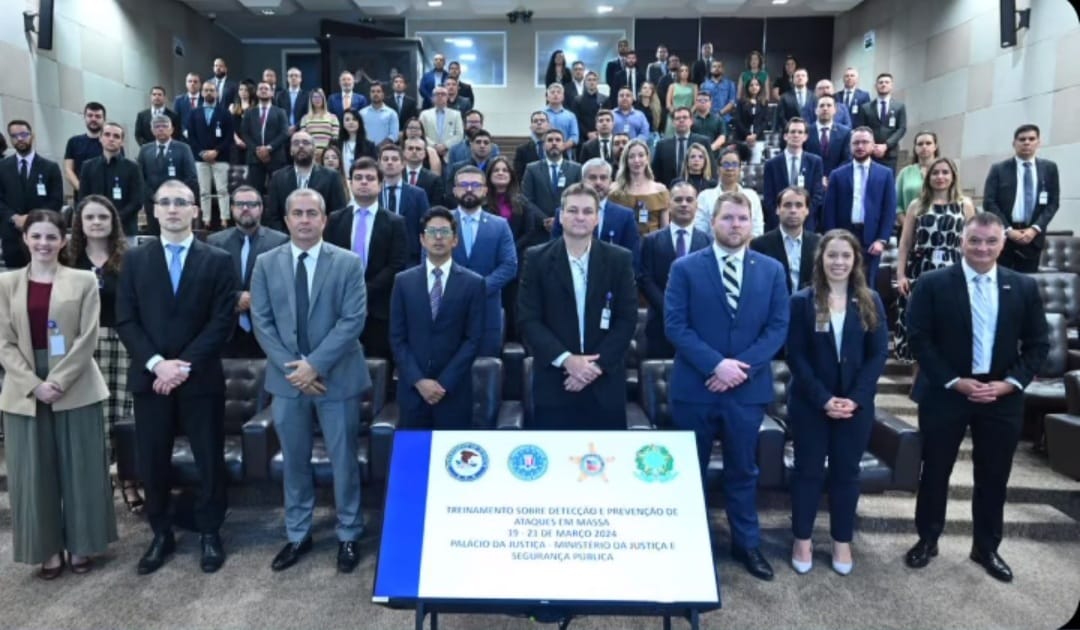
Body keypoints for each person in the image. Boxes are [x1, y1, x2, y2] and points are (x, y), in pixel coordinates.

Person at [904, 212, 1049, 583]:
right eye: (975, 240)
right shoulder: (932, 283)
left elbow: (1038, 345)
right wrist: (954, 381)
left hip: (1001, 396)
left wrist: (1009, 384)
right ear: (962, 242)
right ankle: (927, 539)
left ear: (1002, 244)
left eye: (990, 241)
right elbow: (919, 338)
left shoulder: (1023, 286)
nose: (982, 248)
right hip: (946, 392)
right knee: (935, 470)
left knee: (994, 475)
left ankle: (986, 547)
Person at [665, 190, 789, 581]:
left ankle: (746, 543)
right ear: (712, 222)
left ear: (752, 224)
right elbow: (675, 326)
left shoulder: (772, 270)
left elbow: (777, 328)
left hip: (746, 392)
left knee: (743, 470)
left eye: (742, 218)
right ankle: (687, 543)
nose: (735, 225)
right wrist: (716, 365)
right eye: (728, 218)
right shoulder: (684, 268)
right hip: (695, 388)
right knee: (690, 472)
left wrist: (740, 370)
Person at [116, 180, 237, 575]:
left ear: (195, 210)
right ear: (153, 210)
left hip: (199, 378)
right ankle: (161, 532)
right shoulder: (134, 260)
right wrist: (157, 364)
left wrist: (182, 366)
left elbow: (222, 322)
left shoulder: (218, 260)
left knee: (208, 458)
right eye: (165, 202)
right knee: (152, 460)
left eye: (181, 202)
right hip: (151, 378)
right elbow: (126, 319)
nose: (172, 209)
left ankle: (210, 531)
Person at [249, 188, 370, 574]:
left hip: (338, 377)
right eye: (297, 213)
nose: (304, 220)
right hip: (287, 381)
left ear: (324, 219)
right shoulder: (265, 263)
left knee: (344, 460)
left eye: (311, 213)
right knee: (295, 460)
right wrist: (296, 371)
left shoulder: (348, 262)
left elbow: (352, 320)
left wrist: (313, 366)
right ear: (286, 220)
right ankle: (298, 533)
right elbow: (262, 322)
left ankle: (349, 532)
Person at [0, 209, 116, 579]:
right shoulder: (6, 283)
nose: (44, 243)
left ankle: (83, 544)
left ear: (64, 240)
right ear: (25, 239)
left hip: (75, 381)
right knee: (33, 472)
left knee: (81, 468)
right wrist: (34, 384)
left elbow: (88, 337)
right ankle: (46, 549)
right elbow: (3, 342)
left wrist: (58, 381)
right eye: (36, 236)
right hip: (24, 386)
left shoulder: (83, 280)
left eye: (51, 236)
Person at [786, 229, 888, 576]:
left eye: (846, 255)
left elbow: (878, 355)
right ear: (821, 259)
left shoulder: (871, 300)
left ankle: (842, 540)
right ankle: (802, 539)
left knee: (846, 473)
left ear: (856, 260)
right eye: (832, 255)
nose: (839, 262)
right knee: (808, 471)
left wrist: (855, 399)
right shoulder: (802, 301)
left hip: (855, 407)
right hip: (811, 404)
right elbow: (796, 356)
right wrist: (824, 398)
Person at [518, 183, 638, 430]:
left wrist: (594, 367)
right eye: (572, 210)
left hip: (605, 382)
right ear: (561, 216)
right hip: (555, 382)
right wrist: (567, 361)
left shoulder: (619, 259)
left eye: (587, 211)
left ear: (597, 218)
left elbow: (626, 320)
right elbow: (529, 319)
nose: (580, 217)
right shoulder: (536, 258)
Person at [64, 196, 144, 512]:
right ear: (79, 223)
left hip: (123, 343)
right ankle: (98, 482)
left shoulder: (129, 258)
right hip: (82, 345)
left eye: (102, 217)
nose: (96, 222)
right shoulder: (69, 259)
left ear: (113, 222)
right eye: (89, 217)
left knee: (123, 414)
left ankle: (129, 480)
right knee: (92, 414)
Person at [390, 207, 486, 429]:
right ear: (422, 239)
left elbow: (473, 339)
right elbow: (397, 338)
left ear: (455, 240)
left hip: (454, 391)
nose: (439, 237)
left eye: (445, 232)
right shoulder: (403, 282)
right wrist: (419, 380)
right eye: (432, 232)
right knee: (414, 450)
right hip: (413, 390)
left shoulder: (473, 283)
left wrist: (444, 383)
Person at [325, 156, 408, 360]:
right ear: (350, 183)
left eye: (370, 178)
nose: (364, 182)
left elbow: (397, 264)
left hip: (379, 307)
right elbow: (328, 259)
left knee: (378, 364)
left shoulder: (395, 222)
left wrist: (364, 289)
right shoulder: (335, 219)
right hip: (340, 305)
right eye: (358, 178)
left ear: (380, 185)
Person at [894, 158, 976, 362]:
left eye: (945, 172)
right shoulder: (917, 205)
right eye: (935, 173)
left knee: (949, 324)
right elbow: (905, 243)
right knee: (920, 325)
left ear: (953, 176)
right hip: (921, 270)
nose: (940, 177)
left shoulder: (965, 205)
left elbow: (973, 242)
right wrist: (901, 275)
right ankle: (917, 376)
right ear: (928, 177)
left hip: (954, 269)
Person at [207, 186, 289, 358]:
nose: (245, 208)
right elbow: (208, 286)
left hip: (267, 331)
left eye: (251, 204)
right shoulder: (214, 242)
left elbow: (284, 286)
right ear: (232, 208)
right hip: (226, 329)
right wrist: (236, 298)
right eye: (239, 204)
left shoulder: (280, 242)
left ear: (261, 208)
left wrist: (255, 298)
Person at [449, 166, 518, 357]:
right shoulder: (441, 223)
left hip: (487, 313)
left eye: (475, 185)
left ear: (485, 190)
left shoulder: (500, 225)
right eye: (463, 185)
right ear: (455, 190)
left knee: (486, 369)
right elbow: (429, 261)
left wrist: (479, 289)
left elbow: (509, 266)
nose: (469, 189)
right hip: (448, 311)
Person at [640, 180, 710, 359]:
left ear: (696, 205)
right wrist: (670, 307)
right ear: (668, 204)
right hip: (659, 324)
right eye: (678, 200)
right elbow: (645, 279)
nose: (684, 204)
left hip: (698, 326)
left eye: (689, 200)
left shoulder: (708, 242)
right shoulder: (651, 241)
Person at [981, 123, 1061, 273]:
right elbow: (989, 202)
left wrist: (1034, 229)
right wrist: (1008, 230)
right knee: (1001, 280)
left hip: (1033, 238)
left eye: (1031, 139)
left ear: (1038, 142)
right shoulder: (999, 169)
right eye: (1022, 139)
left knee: (1027, 282)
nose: (1026, 142)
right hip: (1004, 237)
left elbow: (1053, 203)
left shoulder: (1049, 168)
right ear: (1014, 143)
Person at [822, 127, 897, 282]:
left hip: (871, 238)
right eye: (856, 143)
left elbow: (889, 209)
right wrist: (832, 238)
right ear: (850, 146)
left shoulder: (885, 174)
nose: (860, 146)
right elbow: (829, 210)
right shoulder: (837, 174)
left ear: (873, 145)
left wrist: (882, 239)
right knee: (843, 280)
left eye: (865, 142)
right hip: (844, 234)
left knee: (868, 283)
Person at [484, 156, 546, 341]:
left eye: (505, 170)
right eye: (496, 170)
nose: (501, 173)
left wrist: (511, 248)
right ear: (489, 175)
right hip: (490, 260)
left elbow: (530, 230)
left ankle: (513, 339)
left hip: (516, 261)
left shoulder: (521, 201)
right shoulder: (482, 202)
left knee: (514, 303)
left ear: (511, 175)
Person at [1, 120, 64, 268]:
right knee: (14, 279)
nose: (20, 139)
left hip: (42, 236)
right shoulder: (2, 167)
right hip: (12, 235)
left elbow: (56, 201)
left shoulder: (50, 167)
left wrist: (32, 218)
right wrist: (14, 218)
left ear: (32, 135)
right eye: (14, 136)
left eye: (23, 134)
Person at [265, 131, 347, 233]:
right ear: (290, 150)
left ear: (314, 149)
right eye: (296, 143)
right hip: (287, 238)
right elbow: (272, 216)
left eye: (305, 142)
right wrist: (287, 238)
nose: (301, 146)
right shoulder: (278, 177)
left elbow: (339, 214)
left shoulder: (331, 177)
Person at [77, 122, 143, 244]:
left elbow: (136, 201)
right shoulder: (88, 166)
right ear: (100, 138)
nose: (111, 139)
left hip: (125, 230)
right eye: (107, 135)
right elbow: (83, 198)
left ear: (122, 142)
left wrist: (113, 219)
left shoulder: (132, 167)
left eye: (116, 136)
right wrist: (98, 218)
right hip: (95, 228)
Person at [750, 186, 822, 294]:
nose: (793, 210)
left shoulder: (818, 244)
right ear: (778, 209)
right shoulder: (760, 245)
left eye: (799, 205)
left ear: (807, 210)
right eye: (787, 205)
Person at [136, 115, 198, 236]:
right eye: (157, 126)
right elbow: (140, 177)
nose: (161, 129)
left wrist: (177, 195)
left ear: (172, 129)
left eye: (164, 126)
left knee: (175, 234)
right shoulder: (145, 150)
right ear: (152, 130)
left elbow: (191, 176)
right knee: (154, 236)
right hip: (153, 201)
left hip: (177, 202)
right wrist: (152, 195)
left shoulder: (183, 148)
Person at [762, 117, 825, 232]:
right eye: (792, 132)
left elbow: (817, 195)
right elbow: (768, 197)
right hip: (778, 224)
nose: (796, 135)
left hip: (806, 224)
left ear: (805, 137)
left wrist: (802, 214)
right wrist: (781, 215)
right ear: (785, 136)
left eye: (800, 132)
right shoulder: (771, 164)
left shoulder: (815, 162)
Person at [188, 80, 234, 230]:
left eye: (212, 90)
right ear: (202, 93)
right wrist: (202, 152)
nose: (209, 93)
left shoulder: (225, 113)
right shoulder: (194, 113)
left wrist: (216, 151)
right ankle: (206, 220)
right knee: (204, 191)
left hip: (220, 157)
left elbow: (229, 136)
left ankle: (224, 219)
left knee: (222, 190)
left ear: (217, 93)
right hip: (200, 158)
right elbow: (191, 137)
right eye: (206, 90)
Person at [696, 147, 764, 238]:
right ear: (718, 169)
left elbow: (757, 231)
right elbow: (700, 231)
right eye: (726, 164)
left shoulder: (752, 196)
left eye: (734, 164)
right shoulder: (705, 197)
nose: (730, 168)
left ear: (740, 169)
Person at [609, 139, 670, 236]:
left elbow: (665, 231)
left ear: (647, 159)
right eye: (631, 156)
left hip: (652, 242)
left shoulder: (660, 190)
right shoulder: (614, 190)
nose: (636, 160)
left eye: (641, 155)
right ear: (626, 160)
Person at [521, 129, 583, 221]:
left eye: (558, 140)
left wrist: (561, 218)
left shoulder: (576, 169)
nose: (554, 143)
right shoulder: (531, 169)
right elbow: (527, 200)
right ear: (543, 145)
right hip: (539, 224)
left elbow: (580, 197)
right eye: (550, 140)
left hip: (568, 222)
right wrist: (544, 219)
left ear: (563, 144)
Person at [241, 82, 290, 194]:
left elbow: (284, 133)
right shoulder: (249, 112)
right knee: (255, 192)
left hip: (276, 157)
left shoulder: (280, 112)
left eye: (266, 89)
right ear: (257, 92)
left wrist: (268, 148)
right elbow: (245, 133)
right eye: (261, 88)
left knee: (278, 191)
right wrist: (257, 150)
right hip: (254, 158)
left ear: (272, 93)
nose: (263, 90)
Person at [652, 107, 713, 188]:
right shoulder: (662, 145)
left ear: (691, 121)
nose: (681, 120)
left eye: (685, 117)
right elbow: (655, 173)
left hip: (699, 189)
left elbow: (712, 168)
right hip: (669, 190)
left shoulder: (703, 141)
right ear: (673, 122)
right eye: (677, 118)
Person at [858, 73, 907, 173]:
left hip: (890, 153)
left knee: (888, 180)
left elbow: (902, 128)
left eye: (887, 82)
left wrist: (886, 145)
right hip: (870, 153)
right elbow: (862, 130)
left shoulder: (899, 107)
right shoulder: (866, 107)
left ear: (891, 85)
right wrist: (872, 146)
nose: (883, 84)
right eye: (880, 82)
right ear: (876, 86)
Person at [895, 131, 940, 223]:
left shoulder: (944, 171)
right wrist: (907, 225)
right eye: (920, 144)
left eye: (928, 143)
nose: (924, 146)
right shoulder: (905, 173)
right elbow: (897, 205)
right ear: (915, 148)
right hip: (910, 224)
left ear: (935, 146)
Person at [804, 94, 852, 178]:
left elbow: (847, 159)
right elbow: (803, 158)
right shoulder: (806, 132)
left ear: (835, 110)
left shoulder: (845, 132)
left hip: (837, 178)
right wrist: (818, 177)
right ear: (816, 110)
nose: (825, 108)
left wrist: (832, 176)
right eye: (821, 106)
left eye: (829, 105)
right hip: (811, 178)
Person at [63, 102, 106, 195]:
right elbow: (68, 170)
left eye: (98, 116)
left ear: (104, 119)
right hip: (81, 197)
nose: (93, 119)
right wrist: (82, 190)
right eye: (90, 115)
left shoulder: (112, 144)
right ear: (84, 118)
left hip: (106, 197)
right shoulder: (73, 142)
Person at [732, 78, 769, 164]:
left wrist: (755, 134)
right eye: (751, 85)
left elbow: (765, 121)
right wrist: (747, 134)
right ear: (747, 88)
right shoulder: (741, 102)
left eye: (756, 85)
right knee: (741, 163)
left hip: (758, 138)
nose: (754, 87)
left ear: (760, 87)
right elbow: (738, 120)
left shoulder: (764, 102)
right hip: (742, 138)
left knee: (755, 164)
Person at [299, 89, 342, 162]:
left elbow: (335, 138)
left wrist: (326, 152)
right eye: (314, 97)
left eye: (319, 97)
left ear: (323, 99)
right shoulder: (305, 118)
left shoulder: (333, 117)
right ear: (311, 100)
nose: (317, 99)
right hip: (311, 155)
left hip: (327, 157)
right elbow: (303, 138)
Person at [544, 83, 581, 157]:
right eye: (552, 92)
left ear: (563, 97)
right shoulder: (540, 114)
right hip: (544, 154)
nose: (555, 94)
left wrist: (562, 147)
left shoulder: (571, 116)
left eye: (558, 92)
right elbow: (535, 134)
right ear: (547, 97)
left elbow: (574, 137)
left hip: (565, 154)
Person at [664, 65, 697, 136]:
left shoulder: (694, 86)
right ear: (678, 73)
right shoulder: (672, 86)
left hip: (688, 116)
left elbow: (696, 104)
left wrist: (689, 113)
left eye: (686, 70)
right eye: (682, 71)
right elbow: (668, 104)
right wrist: (675, 114)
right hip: (673, 116)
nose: (684, 72)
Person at [275, 67, 310, 134]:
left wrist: (296, 126)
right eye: (291, 76)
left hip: (301, 130)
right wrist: (286, 126)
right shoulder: (280, 95)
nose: (293, 78)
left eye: (296, 76)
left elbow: (307, 114)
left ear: (300, 79)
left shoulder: (307, 95)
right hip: (283, 131)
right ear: (287, 79)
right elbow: (277, 113)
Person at [173, 75, 203, 140]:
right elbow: (176, 120)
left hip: (202, 138)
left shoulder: (205, 99)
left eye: (195, 82)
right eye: (190, 81)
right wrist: (184, 131)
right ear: (186, 84)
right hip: (184, 138)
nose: (192, 84)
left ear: (200, 84)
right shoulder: (179, 100)